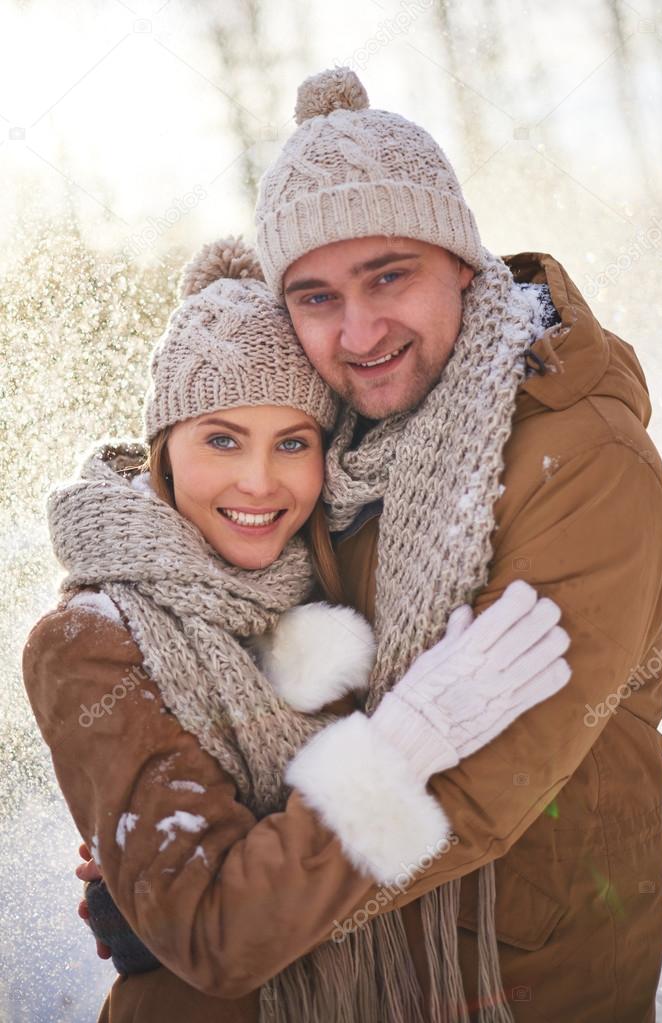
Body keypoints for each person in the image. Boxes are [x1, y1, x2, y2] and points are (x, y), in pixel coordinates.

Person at [23, 237, 571, 1022]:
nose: (259, 480)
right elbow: (216, 934)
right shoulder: (91, 637)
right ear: (164, 452)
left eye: (292, 442)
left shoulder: (328, 584)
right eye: (221, 438)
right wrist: (401, 744)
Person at [250, 66, 662, 1021]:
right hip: (358, 956)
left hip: (523, 978)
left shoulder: (588, 463)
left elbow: (474, 788)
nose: (358, 332)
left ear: (462, 261)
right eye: (316, 297)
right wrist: (170, 842)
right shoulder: (316, 443)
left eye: (388, 276)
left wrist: (223, 898)